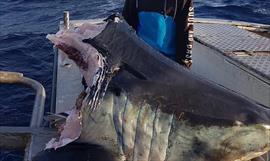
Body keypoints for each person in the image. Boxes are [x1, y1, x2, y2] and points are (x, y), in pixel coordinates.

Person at [122, 0, 194, 68]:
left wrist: (184, 66)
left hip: (169, 64)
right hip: (138, 59)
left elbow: (186, 34)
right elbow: (126, 25)